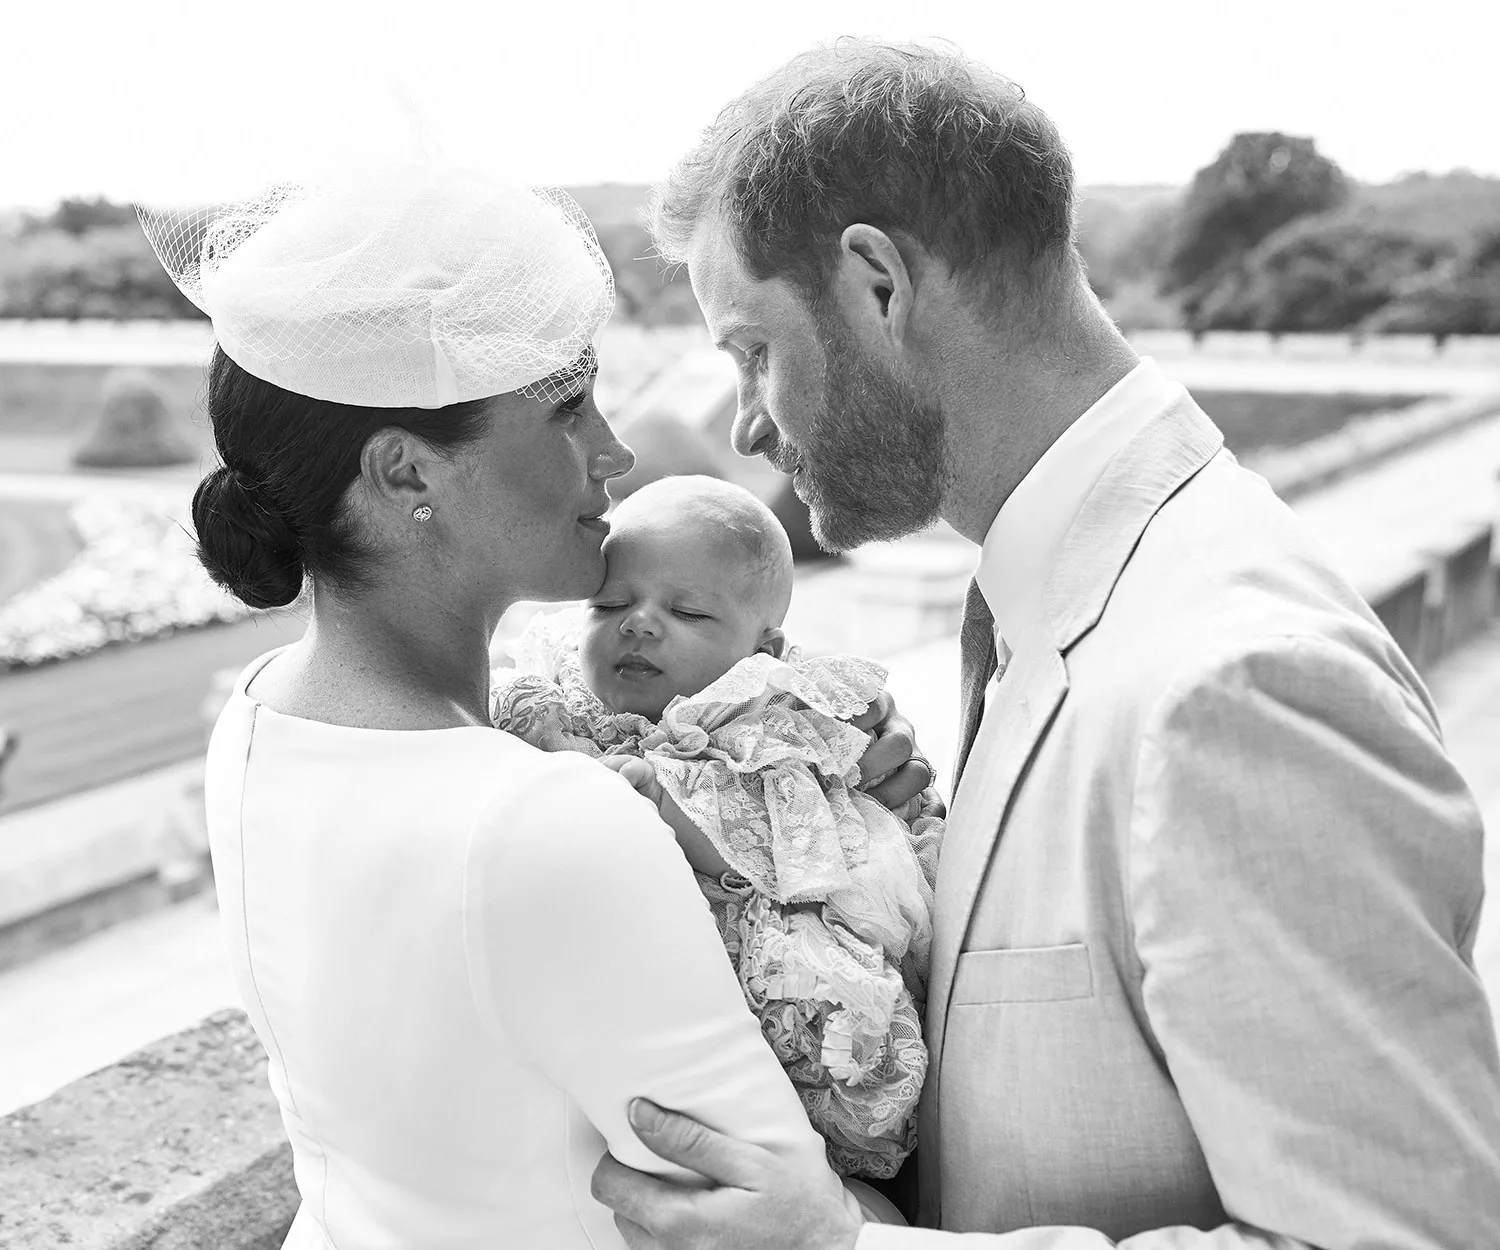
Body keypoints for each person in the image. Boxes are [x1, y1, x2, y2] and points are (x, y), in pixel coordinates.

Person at [588, 39, 1500, 1249]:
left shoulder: (1237, 682)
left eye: (754, 350)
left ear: (877, 284)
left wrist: (844, 1247)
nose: (747, 422)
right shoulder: (1061, 592)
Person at [140, 167, 926, 1248]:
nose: (614, 449)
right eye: (567, 410)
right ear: (406, 468)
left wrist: (808, 764)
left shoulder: (262, 714)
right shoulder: (553, 816)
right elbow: (785, 1215)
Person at [493, 474, 943, 1179]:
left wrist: (652, 800)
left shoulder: (761, 720)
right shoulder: (559, 691)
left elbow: (766, 837)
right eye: (610, 602)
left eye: (689, 613)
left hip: (765, 936)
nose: (638, 622)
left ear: (763, 647)